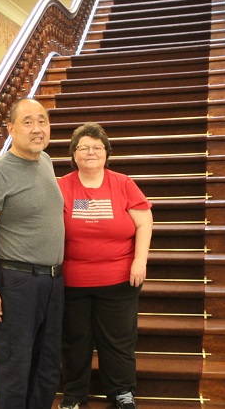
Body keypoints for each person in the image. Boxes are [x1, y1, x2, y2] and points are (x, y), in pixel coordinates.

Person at [0, 97, 65, 408]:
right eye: (28, 122)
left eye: (42, 121)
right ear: (11, 128)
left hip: (52, 282)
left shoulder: (47, 162)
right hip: (16, 282)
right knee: (12, 367)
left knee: (46, 367)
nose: (37, 129)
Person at [57, 123, 153, 409]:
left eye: (97, 147)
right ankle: (74, 395)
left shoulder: (123, 184)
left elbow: (144, 222)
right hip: (73, 282)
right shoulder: (60, 186)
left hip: (119, 279)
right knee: (75, 342)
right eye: (83, 147)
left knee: (119, 341)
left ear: (106, 153)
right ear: (73, 154)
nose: (90, 152)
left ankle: (122, 392)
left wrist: (139, 261)